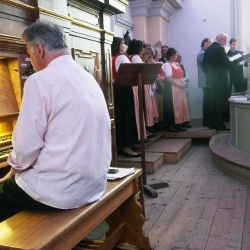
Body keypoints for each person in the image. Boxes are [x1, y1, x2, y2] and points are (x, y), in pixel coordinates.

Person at [0, 21, 111, 222]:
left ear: (39, 49)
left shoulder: (40, 80)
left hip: (61, 191)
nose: (31, 59)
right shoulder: (87, 77)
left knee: (6, 189)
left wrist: (12, 169)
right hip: (93, 184)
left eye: (29, 53)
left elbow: (26, 146)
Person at [111, 37, 141, 157]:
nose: (125, 46)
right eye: (122, 44)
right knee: (127, 117)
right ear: (117, 46)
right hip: (124, 89)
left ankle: (120, 145)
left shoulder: (113, 58)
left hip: (117, 90)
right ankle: (127, 147)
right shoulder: (122, 57)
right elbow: (130, 73)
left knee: (120, 118)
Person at [202, 32, 231, 131]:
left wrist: (210, 76)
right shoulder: (220, 49)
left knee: (212, 101)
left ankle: (211, 124)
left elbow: (203, 66)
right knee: (221, 103)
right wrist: (233, 62)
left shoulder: (208, 49)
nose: (225, 43)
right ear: (220, 39)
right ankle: (220, 125)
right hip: (221, 81)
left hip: (212, 80)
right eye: (225, 40)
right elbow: (227, 64)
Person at [162, 48, 190, 132]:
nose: (175, 57)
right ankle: (172, 125)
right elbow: (168, 78)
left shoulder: (177, 64)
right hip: (172, 88)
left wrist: (183, 83)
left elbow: (181, 75)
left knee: (180, 105)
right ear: (169, 55)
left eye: (176, 55)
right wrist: (178, 84)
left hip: (180, 88)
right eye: (173, 55)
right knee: (173, 106)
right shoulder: (166, 65)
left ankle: (180, 123)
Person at [140, 46, 159, 136]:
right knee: (146, 108)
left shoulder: (147, 63)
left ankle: (147, 129)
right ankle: (145, 129)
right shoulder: (141, 62)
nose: (150, 58)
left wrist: (152, 86)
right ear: (145, 54)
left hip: (148, 87)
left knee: (149, 109)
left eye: (151, 56)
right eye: (149, 55)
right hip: (144, 87)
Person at [197, 38, 213, 126]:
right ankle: (207, 121)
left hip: (206, 79)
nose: (211, 45)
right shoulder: (202, 53)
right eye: (210, 43)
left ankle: (207, 120)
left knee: (208, 99)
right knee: (207, 100)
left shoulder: (204, 53)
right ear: (205, 43)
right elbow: (206, 67)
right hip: (205, 79)